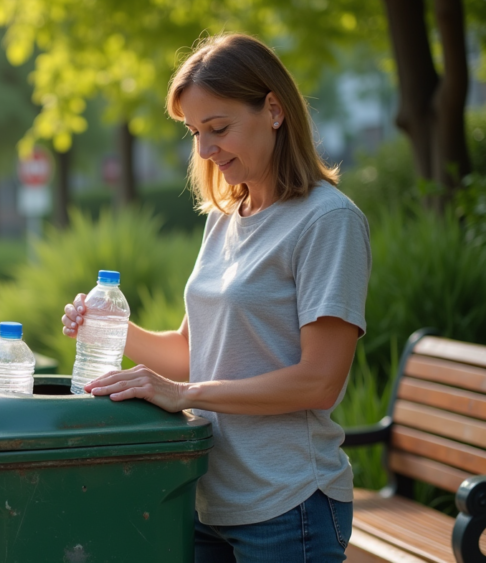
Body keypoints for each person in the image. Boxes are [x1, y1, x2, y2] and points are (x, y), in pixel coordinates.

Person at [62, 34, 370, 562]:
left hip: (287, 505)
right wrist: (109, 328)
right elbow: (191, 350)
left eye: (219, 128)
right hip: (210, 499)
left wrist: (186, 394)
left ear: (273, 110)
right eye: (195, 132)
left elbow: (320, 382)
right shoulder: (226, 219)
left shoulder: (328, 222)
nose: (205, 150)